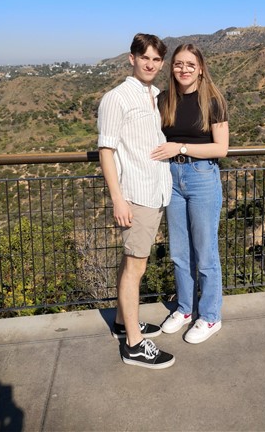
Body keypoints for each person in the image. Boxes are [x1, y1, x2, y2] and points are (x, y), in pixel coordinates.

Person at [97, 33, 175, 369]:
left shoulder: (155, 95)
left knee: (131, 263)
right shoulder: (116, 98)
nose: (150, 64)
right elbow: (106, 151)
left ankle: (121, 322)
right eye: (145, 58)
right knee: (136, 268)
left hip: (156, 191)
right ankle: (134, 345)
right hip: (136, 194)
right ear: (132, 58)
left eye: (156, 59)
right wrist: (118, 199)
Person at [151, 43, 229, 344]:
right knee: (179, 251)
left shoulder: (213, 101)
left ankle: (210, 316)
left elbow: (221, 148)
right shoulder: (164, 100)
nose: (184, 69)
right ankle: (185, 309)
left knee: (205, 252)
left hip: (201, 177)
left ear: (200, 69)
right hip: (170, 177)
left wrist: (180, 147)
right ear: (172, 68)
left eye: (190, 64)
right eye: (178, 64)